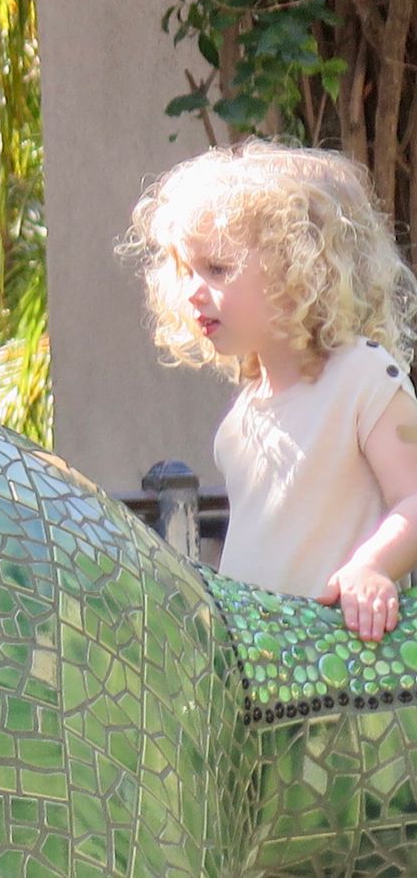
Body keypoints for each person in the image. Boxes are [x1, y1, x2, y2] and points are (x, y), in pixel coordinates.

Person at [126, 140, 417, 642]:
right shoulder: (243, 417)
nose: (193, 291)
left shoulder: (363, 376)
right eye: (187, 271)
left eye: (217, 268)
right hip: (265, 664)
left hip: (340, 661)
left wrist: (371, 568)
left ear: (299, 268)